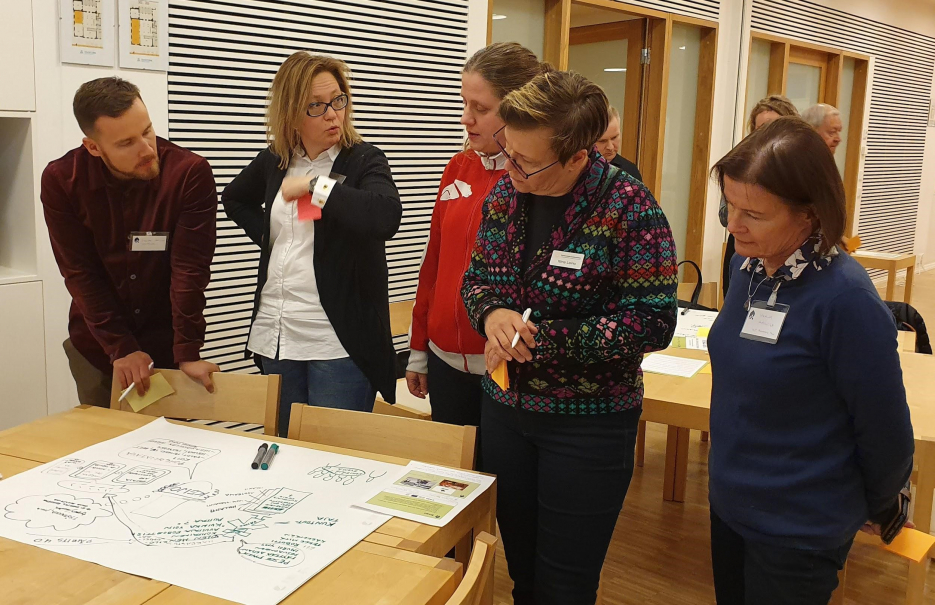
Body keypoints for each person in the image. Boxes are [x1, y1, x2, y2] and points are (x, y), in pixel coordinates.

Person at [462, 71, 678, 605]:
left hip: (588, 428)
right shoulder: (505, 196)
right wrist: (493, 316)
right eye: (506, 152)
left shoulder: (631, 209)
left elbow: (652, 320)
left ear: (579, 156)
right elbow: (477, 280)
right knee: (524, 577)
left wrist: (540, 340)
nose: (509, 168)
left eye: (525, 161)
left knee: (565, 584)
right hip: (506, 410)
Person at [708, 117, 914, 604]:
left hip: (797, 526)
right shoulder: (747, 265)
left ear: (810, 216)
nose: (733, 225)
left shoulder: (845, 299)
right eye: (729, 206)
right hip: (733, 504)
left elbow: (885, 430)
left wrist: (878, 504)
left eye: (753, 214)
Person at [223, 52, 402, 436]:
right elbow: (234, 198)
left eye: (339, 100)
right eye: (316, 107)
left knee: (334, 458)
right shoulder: (275, 160)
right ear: (291, 114)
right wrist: (271, 240)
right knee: (285, 449)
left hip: (336, 339)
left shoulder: (363, 160)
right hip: (279, 331)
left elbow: (385, 216)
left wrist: (316, 186)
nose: (333, 115)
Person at [406, 42, 547, 464]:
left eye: (480, 108)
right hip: (445, 360)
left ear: (518, 108)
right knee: (451, 486)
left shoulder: (538, 180)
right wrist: (418, 348)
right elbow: (433, 261)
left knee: (501, 491)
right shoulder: (458, 166)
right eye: (464, 103)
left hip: (504, 366)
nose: (466, 118)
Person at [41, 77, 219, 407]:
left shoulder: (188, 174)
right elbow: (80, 273)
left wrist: (188, 351)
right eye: (126, 143)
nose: (147, 149)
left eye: (147, 131)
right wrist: (121, 347)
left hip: (168, 345)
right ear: (93, 147)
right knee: (101, 448)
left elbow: (189, 271)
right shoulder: (62, 181)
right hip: (98, 347)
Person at [720, 95, 798, 298]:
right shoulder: (743, 167)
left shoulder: (800, 172)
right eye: (759, 128)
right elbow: (724, 215)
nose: (765, 135)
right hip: (744, 247)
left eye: (771, 127)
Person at [594, 105, 642, 182]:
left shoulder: (630, 171)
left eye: (614, 138)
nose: (610, 147)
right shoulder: (574, 169)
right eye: (602, 141)